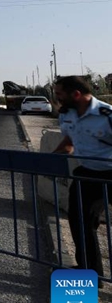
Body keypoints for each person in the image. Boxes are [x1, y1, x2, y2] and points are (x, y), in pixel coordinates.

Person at [52, 75, 112, 278]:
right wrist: (47, 160)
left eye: (59, 94)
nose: (56, 98)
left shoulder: (106, 114)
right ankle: (90, 271)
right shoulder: (67, 114)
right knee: (79, 220)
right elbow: (69, 142)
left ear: (75, 94)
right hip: (88, 173)